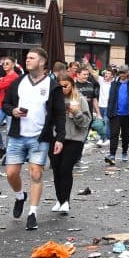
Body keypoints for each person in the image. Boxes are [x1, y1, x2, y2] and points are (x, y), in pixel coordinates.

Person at [2, 47, 65, 231]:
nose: (27, 60)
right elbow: (6, 104)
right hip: (17, 135)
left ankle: (32, 213)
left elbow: (60, 114)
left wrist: (60, 138)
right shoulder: (18, 82)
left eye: (32, 58)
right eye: (27, 57)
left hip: (40, 137)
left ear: (42, 62)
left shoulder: (53, 86)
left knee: (36, 174)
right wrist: (13, 111)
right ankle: (20, 196)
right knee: (11, 173)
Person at [52, 72, 90, 213]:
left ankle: (66, 201)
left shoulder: (79, 99)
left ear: (72, 85)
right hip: (56, 138)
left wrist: (76, 113)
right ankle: (59, 199)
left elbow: (86, 122)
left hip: (74, 139)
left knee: (65, 169)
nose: (63, 89)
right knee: (56, 170)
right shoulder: (55, 99)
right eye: (59, 86)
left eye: (65, 86)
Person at [106, 66, 129, 166]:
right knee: (114, 134)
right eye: (120, 72)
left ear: (127, 73)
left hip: (128, 113)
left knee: (125, 135)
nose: (121, 74)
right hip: (115, 113)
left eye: (123, 72)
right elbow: (110, 97)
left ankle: (124, 152)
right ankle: (112, 154)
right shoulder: (114, 84)